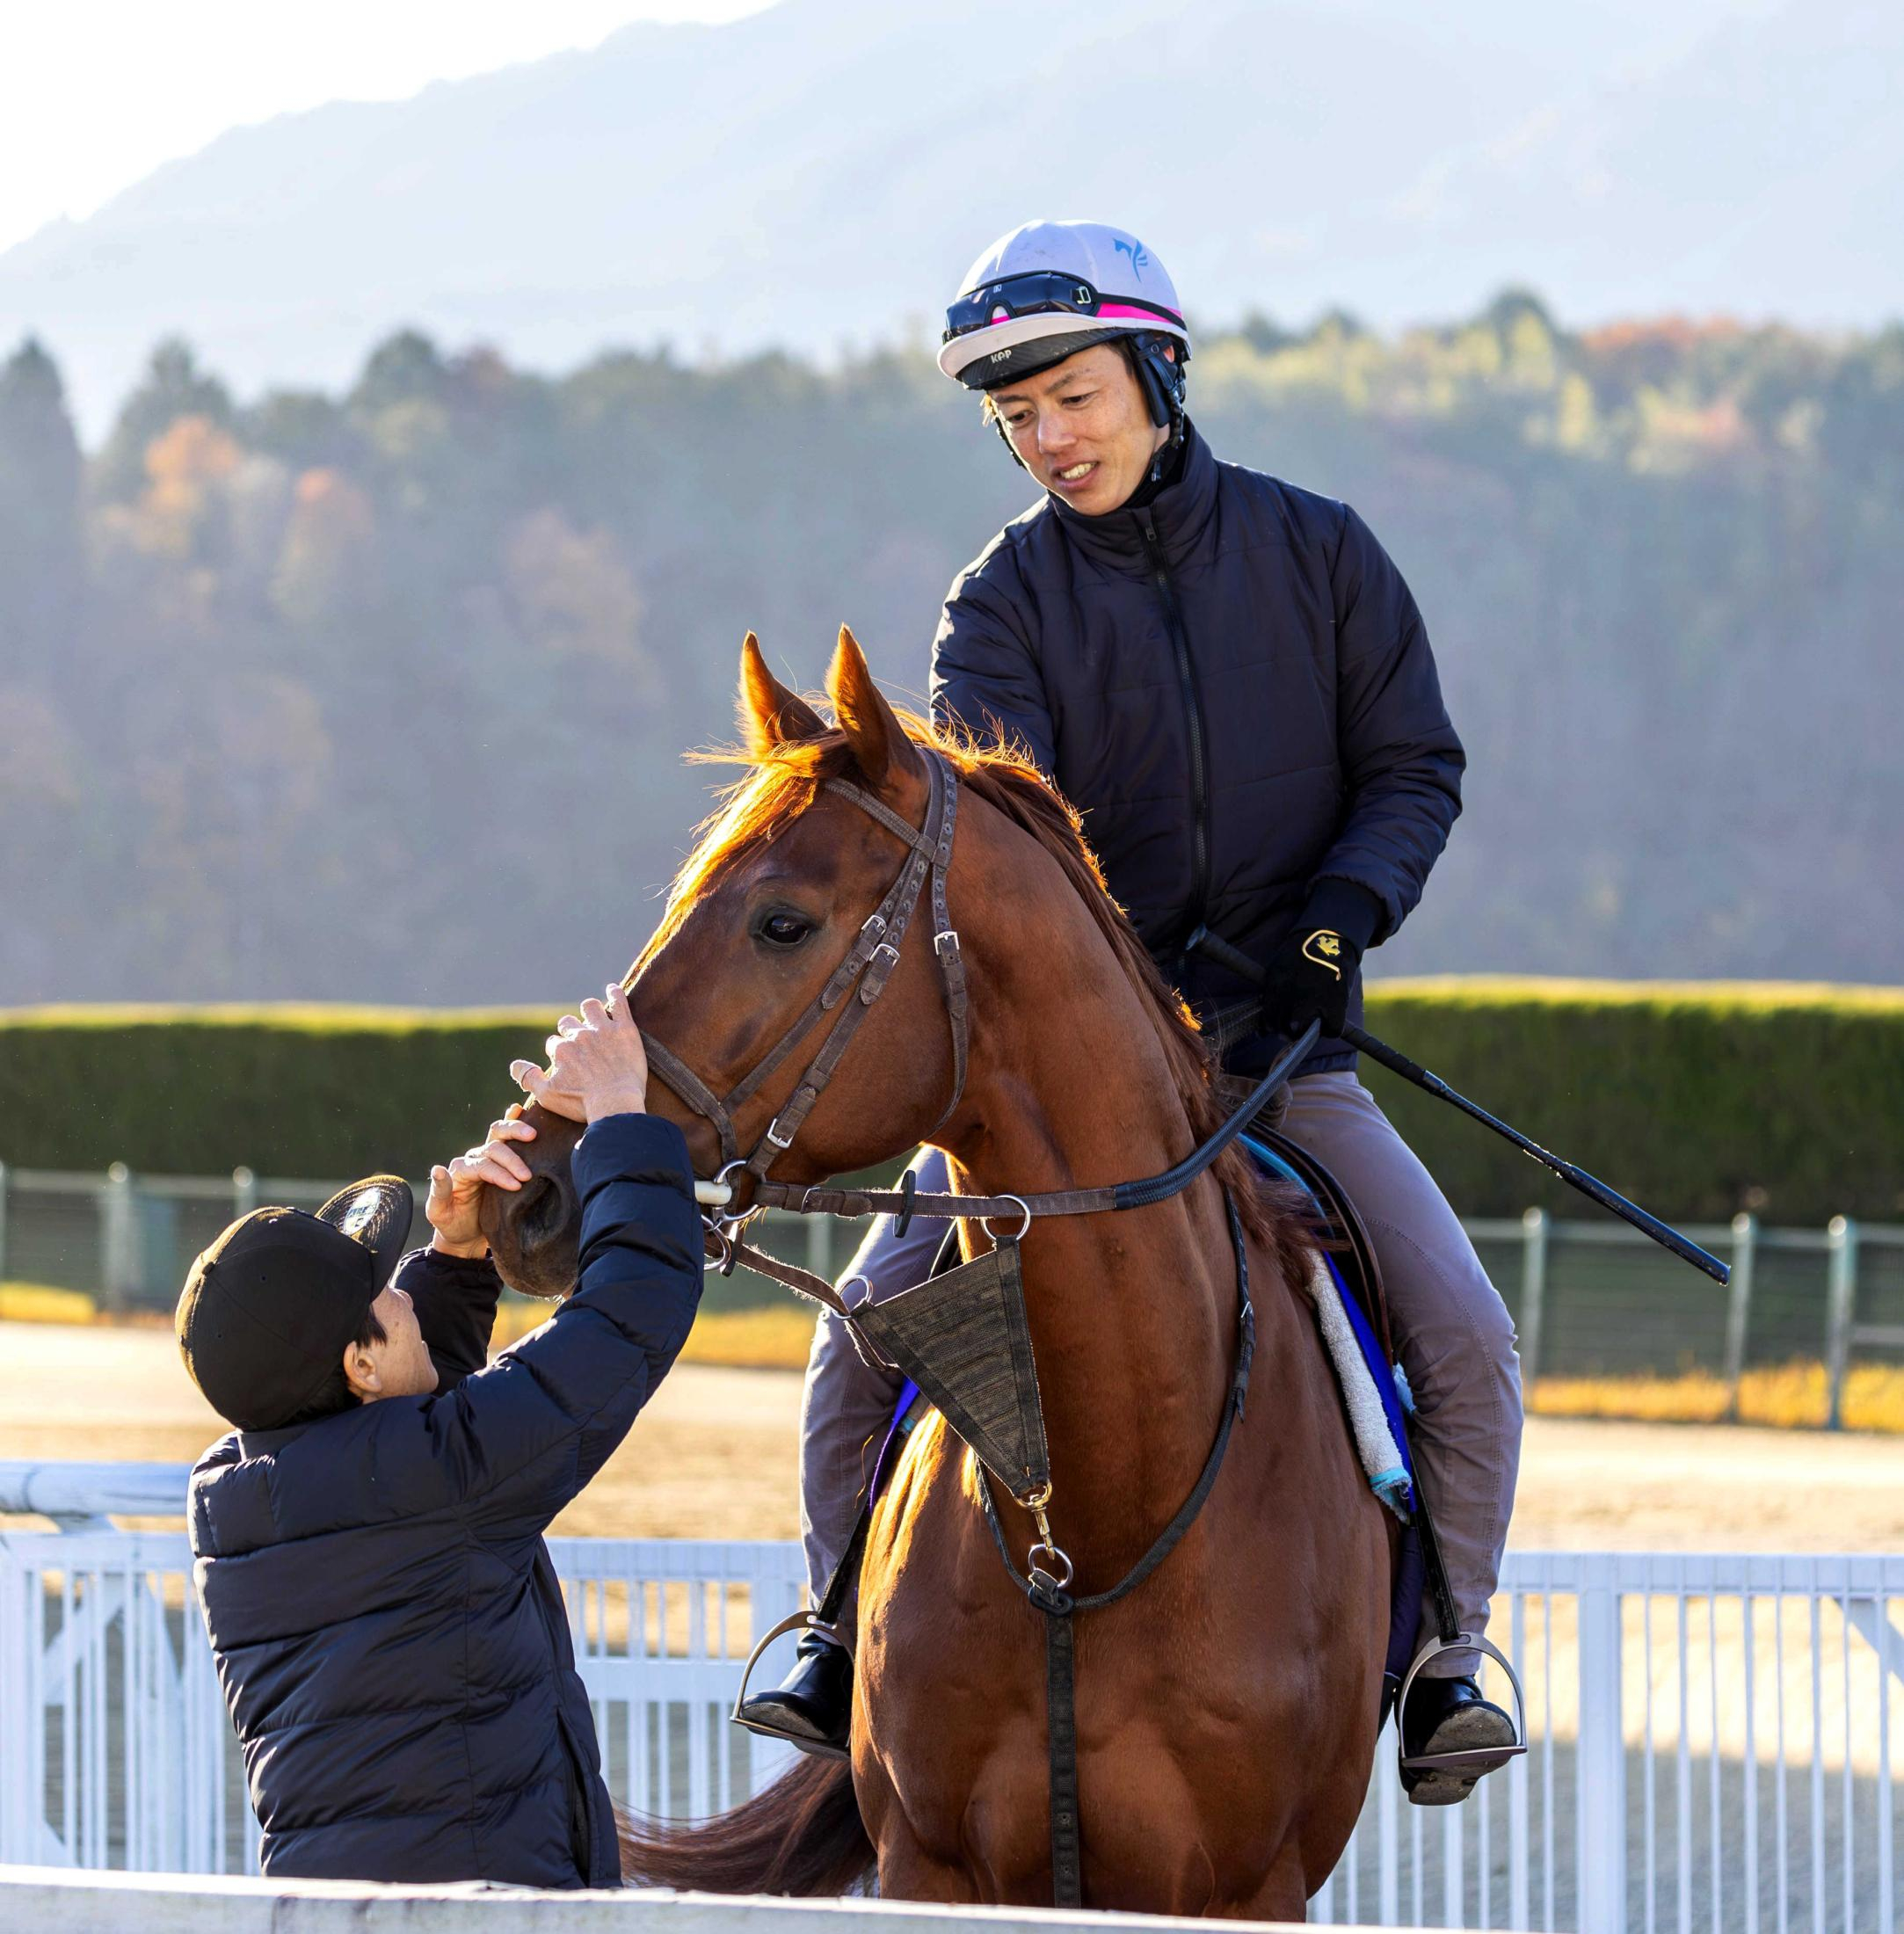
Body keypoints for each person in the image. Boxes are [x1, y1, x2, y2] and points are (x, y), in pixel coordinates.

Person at [738, 219, 1524, 1804]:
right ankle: (834, 1636)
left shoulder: (1322, 554)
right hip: (1059, 1092)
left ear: (1156, 372)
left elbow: (1411, 771)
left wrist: (1332, 926)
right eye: (1017, 418)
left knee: (1466, 1339)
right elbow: (1007, 843)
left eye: (1074, 398)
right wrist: (1125, 992)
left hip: (1278, 1063)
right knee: (853, 1360)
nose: (1050, 440)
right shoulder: (1001, 606)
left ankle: (1446, 1657)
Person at [180, 986, 701, 1883]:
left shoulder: (237, 1497)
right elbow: (629, 1319)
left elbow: (414, 1444)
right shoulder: (435, 1478)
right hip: (483, 1907)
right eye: (387, 1295)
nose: (403, 1300)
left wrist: (457, 1257)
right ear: (359, 1367)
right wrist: (623, 1117)